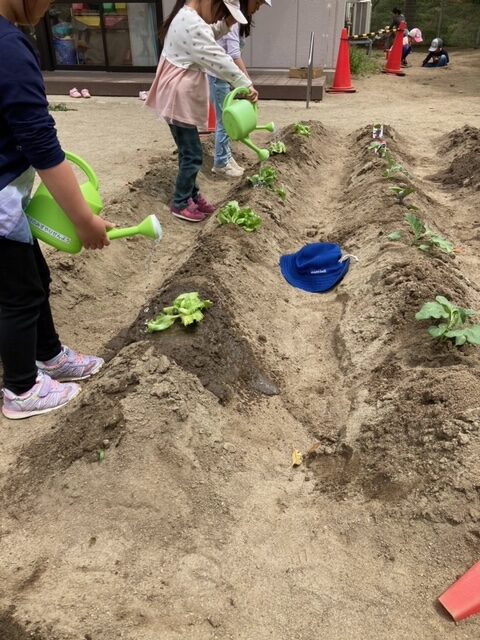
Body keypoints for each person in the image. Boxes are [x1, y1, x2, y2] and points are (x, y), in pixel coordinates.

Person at [0, 0, 112, 419]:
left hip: (7, 195)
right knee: (17, 295)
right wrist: (83, 220)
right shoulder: (8, 47)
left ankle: (48, 355)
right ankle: (21, 389)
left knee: (35, 276)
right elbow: (41, 145)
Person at [146, 0, 258, 223]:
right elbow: (219, 59)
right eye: (221, 11)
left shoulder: (189, 19)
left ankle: (192, 195)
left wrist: (226, 24)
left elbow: (208, 35)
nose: (219, 17)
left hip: (178, 97)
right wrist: (245, 84)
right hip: (177, 99)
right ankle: (180, 202)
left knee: (188, 152)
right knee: (192, 154)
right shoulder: (191, 23)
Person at [208, 0, 271, 178]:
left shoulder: (236, 20)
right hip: (218, 76)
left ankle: (226, 157)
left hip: (223, 76)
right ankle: (221, 163)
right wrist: (248, 84)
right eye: (257, 3)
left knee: (225, 118)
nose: (257, 8)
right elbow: (234, 55)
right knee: (224, 121)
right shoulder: (231, 21)